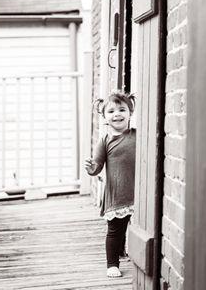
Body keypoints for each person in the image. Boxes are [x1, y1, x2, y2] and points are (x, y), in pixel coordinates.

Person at [85, 91, 136, 278]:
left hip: (138, 192)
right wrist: (92, 167)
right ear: (105, 117)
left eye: (122, 109)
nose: (117, 114)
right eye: (111, 111)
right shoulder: (105, 141)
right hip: (118, 193)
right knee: (115, 230)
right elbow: (97, 166)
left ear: (130, 112)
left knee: (136, 227)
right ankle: (112, 263)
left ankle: (126, 250)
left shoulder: (137, 136)